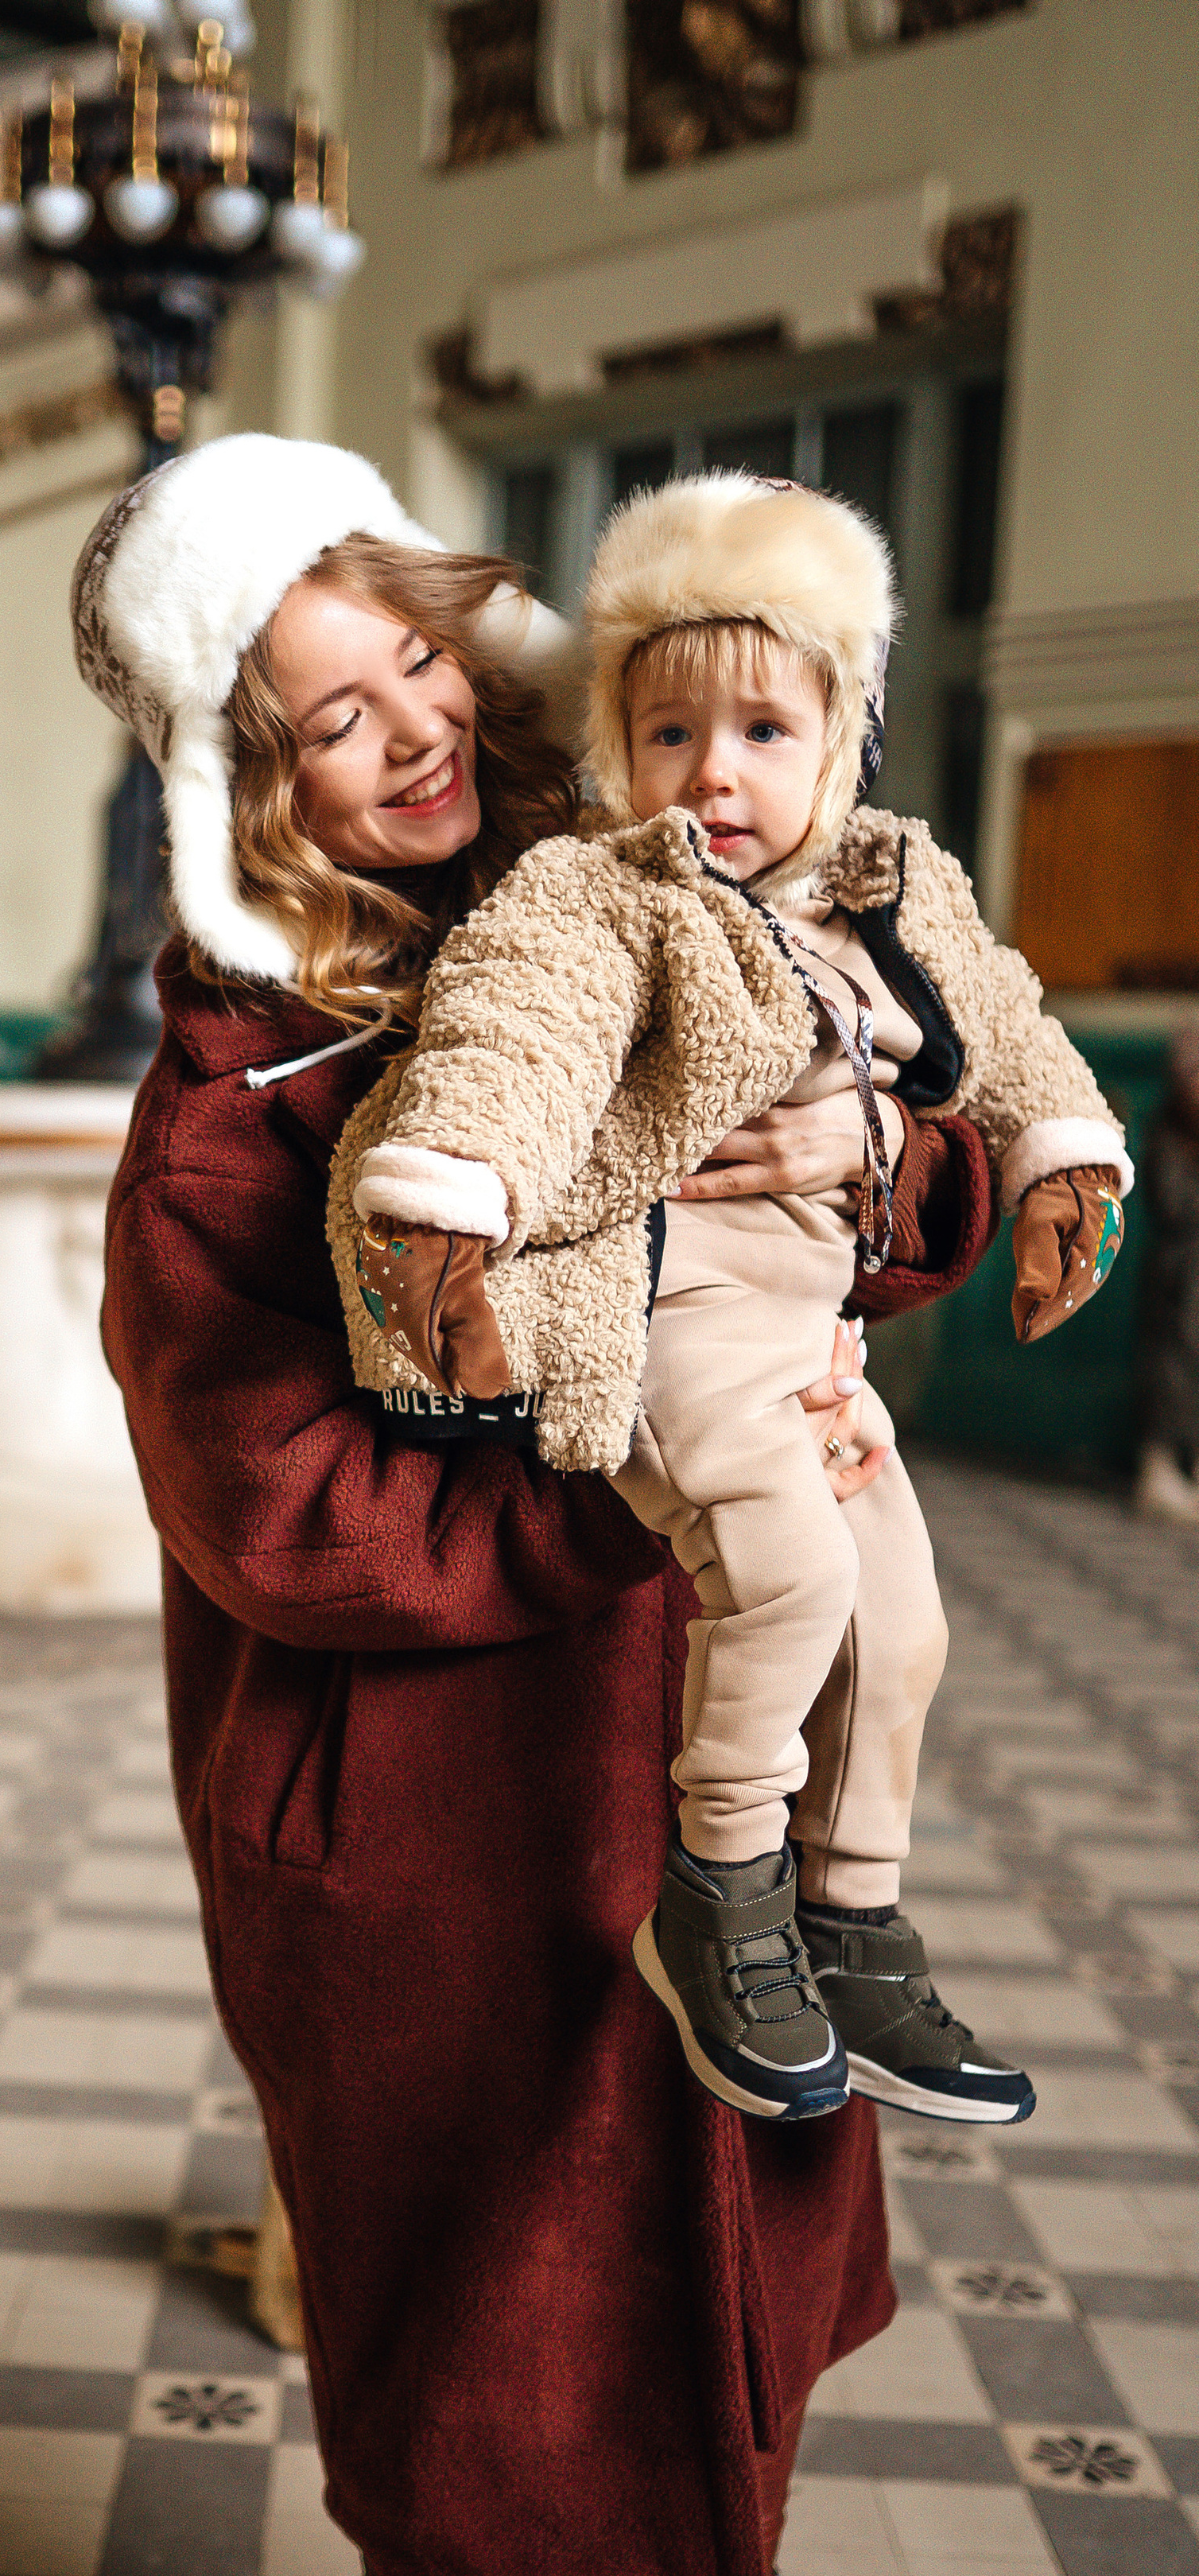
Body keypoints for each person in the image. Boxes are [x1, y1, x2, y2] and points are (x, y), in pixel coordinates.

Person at [80, 435, 1000, 2576]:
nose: (403, 744)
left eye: (411, 665)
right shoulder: (231, 1093)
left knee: (746, 2235)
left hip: (715, 1758)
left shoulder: (663, 888)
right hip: (426, 1818)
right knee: (461, 2296)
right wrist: (622, 1517)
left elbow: (867, 1186)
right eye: (319, 720)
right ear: (233, 782)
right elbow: (273, 1509)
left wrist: (883, 1161)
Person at [336, 474, 1127, 2134]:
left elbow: (1004, 1024)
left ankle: (847, 1914)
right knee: (784, 1579)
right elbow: (514, 1041)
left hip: (814, 1347)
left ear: (840, 738)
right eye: (670, 731)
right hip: (673, 1320)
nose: (714, 774)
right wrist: (451, 1199)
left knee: (896, 1623)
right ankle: (716, 1891)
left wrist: (1054, 1156)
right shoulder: (596, 895)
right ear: (616, 743)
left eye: (764, 732)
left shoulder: (888, 896)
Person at [1135, 1017, 1199, 1523]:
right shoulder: (1168, 1132)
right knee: (1172, 1367)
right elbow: (1172, 1205)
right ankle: (1158, 1467)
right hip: (1177, 1276)